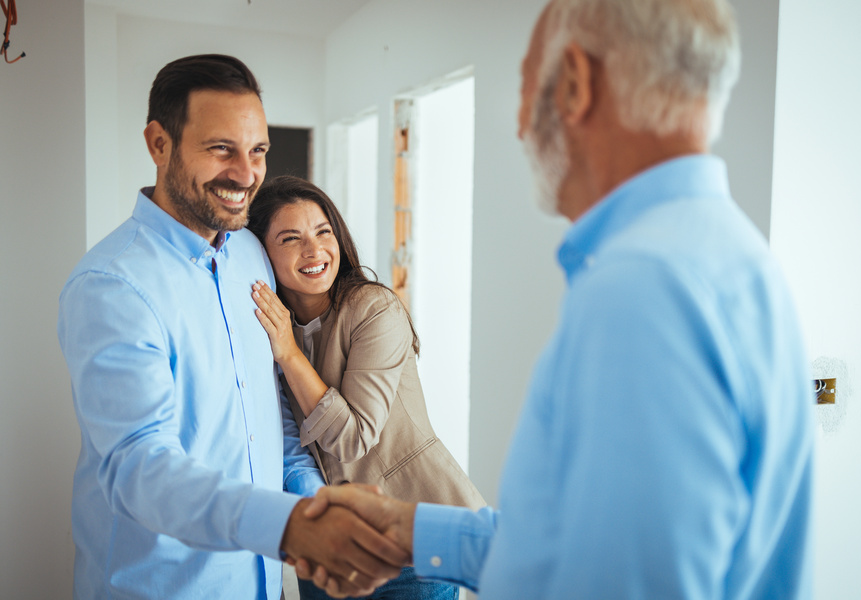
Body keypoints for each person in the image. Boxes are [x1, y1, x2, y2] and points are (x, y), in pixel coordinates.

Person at [296, 0, 816, 598]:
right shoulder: (729, 257)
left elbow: (620, 585)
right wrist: (416, 529)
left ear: (574, 81)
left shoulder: (642, 292)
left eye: (524, 87)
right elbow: (580, 545)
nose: (519, 125)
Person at [57, 54, 406, 600]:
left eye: (258, 150)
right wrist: (291, 528)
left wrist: (314, 501)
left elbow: (271, 420)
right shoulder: (113, 284)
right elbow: (139, 467)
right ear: (159, 144)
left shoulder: (249, 254)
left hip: (262, 581)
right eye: (222, 148)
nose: (247, 175)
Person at [246, 175, 485, 600]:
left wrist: (288, 353)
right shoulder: (270, 326)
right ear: (261, 252)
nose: (314, 249)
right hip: (330, 542)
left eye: (323, 232)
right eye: (290, 238)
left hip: (410, 541)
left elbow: (354, 438)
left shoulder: (374, 309)